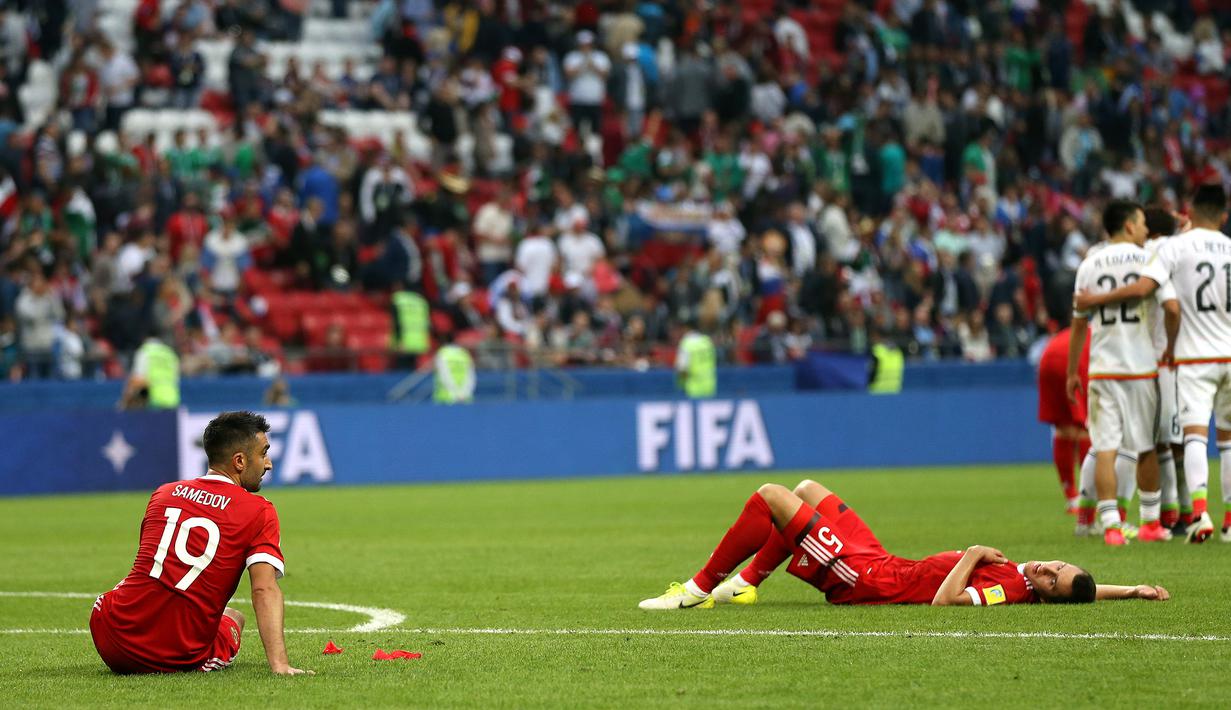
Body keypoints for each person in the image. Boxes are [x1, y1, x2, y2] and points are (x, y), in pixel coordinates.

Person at [638, 479, 1170, 609]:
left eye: (1052, 580)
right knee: (808, 491)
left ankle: (696, 589)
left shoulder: (1008, 588)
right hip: (884, 560)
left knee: (771, 496)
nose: (1049, 569)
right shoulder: (1039, 578)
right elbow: (1082, 590)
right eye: (1059, 566)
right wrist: (1130, 591)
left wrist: (972, 554)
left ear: (1045, 596)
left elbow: (948, 603)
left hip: (867, 578)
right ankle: (749, 583)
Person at [90, 412, 312, 675]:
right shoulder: (259, 511)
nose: (268, 463)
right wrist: (280, 664)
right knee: (234, 617)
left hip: (110, 635)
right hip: (171, 656)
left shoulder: (164, 493)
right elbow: (263, 589)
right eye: (263, 453)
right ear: (239, 461)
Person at [1076, 185, 1231, 543]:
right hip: (1201, 356)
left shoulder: (1166, 250)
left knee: (1169, 440)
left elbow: (1150, 291)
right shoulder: (1214, 245)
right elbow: (1170, 304)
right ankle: (1177, 519)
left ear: (1190, 210)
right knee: (1211, 443)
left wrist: (1094, 301)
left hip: (1176, 359)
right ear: (1223, 215)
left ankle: (1193, 513)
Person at [1067, 200, 1173, 546]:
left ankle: (1111, 525)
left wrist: (1073, 372)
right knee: (1145, 447)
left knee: (1105, 446)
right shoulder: (1149, 259)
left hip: (1102, 369)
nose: (1145, 230)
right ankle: (1151, 522)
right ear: (1129, 225)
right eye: (1142, 223)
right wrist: (1169, 346)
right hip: (1141, 367)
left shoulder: (1089, 264)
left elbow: (1078, 323)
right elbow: (1172, 308)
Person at [1037, 328, 1089, 513]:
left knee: (1063, 427)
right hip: (1075, 359)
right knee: (1086, 428)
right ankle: (1088, 498)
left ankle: (1072, 497)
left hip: (1048, 357)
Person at [119, 334, 181, 410]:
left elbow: (138, 379)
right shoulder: (170, 354)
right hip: (172, 400)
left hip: (153, 401)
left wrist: (125, 400)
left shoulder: (145, 352)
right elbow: (176, 379)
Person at [675, 323, 716, 399]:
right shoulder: (707, 341)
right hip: (709, 387)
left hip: (693, 389)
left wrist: (680, 384)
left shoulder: (686, 344)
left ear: (685, 328)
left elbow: (682, 369)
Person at [433, 332, 475, 404]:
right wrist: (464, 393)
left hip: (446, 397)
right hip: (465, 397)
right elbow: (470, 376)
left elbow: (445, 375)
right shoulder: (464, 353)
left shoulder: (442, 353)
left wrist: (455, 394)